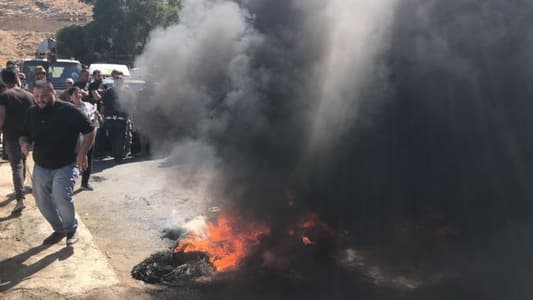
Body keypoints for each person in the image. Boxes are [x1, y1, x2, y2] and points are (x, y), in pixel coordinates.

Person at [19, 80, 95, 245]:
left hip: (66, 164)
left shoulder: (69, 111)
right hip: (41, 165)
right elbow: (24, 134)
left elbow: (90, 131)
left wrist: (82, 154)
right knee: (41, 200)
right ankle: (59, 229)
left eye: (44, 96)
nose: (39, 100)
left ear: (53, 94)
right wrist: (24, 143)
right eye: (37, 96)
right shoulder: (32, 112)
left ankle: (71, 229)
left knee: (61, 196)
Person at [0, 69, 34, 214]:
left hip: (12, 136)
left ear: (3, 80)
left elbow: (1, 119)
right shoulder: (29, 95)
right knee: (23, 160)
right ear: (16, 79)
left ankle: (20, 199)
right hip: (27, 135)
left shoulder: (5, 95)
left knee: (16, 167)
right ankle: (22, 189)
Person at [67, 86, 98, 190]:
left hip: (87, 137)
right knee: (72, 162)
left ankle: (85, 182)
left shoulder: (88, 105)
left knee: (88, 159)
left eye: (79, 92)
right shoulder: (68, 108)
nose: (78, 94)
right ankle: (69, 185)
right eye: (75, 93)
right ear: (70, 97)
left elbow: (93, 119)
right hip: (73, 139)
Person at [99, 76, 129, 163]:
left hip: (111, 119)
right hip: (120, 119)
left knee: (114, 137)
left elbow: (103, 106)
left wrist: (102, 117)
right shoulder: (125, 92)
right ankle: (118, 156)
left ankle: (116, 155)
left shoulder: (108, 91)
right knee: (119, 138)